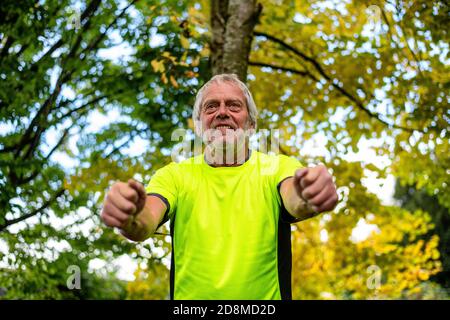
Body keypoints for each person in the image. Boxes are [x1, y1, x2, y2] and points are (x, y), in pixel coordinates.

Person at [101, 74, 338, 300]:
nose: (222, 113)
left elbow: (295, 198)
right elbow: (144, 220)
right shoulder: (174, 175)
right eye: (211, 106)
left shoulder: (278, 168)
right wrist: (129, 215)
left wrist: (309, 194)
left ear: (252, 124)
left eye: (234, 106)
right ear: (198, 125)